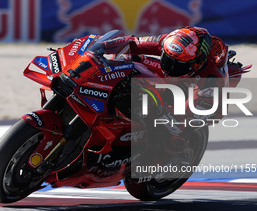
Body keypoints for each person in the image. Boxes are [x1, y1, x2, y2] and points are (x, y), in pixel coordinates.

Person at [102, 26, 242, 153]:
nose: (171, 68)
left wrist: (162, 110)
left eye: (179, 65)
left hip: (203, 94)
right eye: (168, 60)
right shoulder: (169, 41)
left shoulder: (211, 78)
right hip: (187, 72)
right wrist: (102, 46)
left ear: (196, 64)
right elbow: (133, 42)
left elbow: (182, 123)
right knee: (126, 58)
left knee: (176, 133)